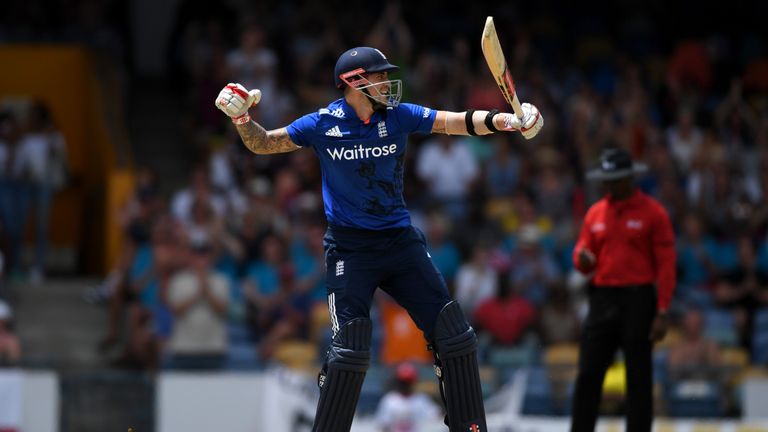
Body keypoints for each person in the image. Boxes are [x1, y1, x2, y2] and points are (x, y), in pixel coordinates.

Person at [215, 46, 544, 432]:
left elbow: (453, 122)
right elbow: (264, 142)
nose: (388, 83)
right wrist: (241, 119)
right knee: (351, 349)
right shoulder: (322, 123)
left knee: (454, 334)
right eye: (380, 76)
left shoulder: (398, 116)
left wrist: (506, 120)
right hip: (350, 250)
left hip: (399, 243)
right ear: (355, 82)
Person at [570, 147, 676, 432]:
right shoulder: (596, 213)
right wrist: (582, 258)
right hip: (603, 297)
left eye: (614, 180)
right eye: (606, 180)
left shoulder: (653, 213)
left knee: (639, 378)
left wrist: (662, 310)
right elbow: (582, 251)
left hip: (638, 300)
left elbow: (666, 265)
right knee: (589, 374)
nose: (608, 186)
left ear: (630, 179)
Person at [375, 362, 442, 432]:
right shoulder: (389, 400)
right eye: (403, 382)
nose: (405, 385)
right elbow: (382, 424)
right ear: (397, 382)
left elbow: (437, 417)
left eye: (408, 382)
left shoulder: (421, 399)